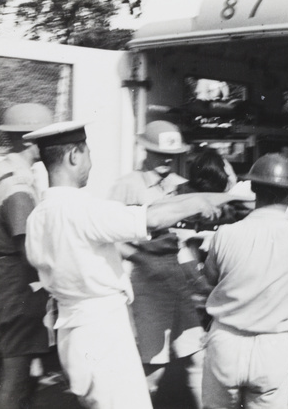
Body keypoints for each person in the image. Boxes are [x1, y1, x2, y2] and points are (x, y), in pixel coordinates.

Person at [22, 121, 228, 409]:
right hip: (102, 331)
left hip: (72, 329)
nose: (91, 163)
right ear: (74, 156)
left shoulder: (37, 217)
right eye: (88, 154)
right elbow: (152, 218)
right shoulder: (84, 210)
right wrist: (205, 202)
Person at [108, 121, 216, 408]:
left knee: (197, 354)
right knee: (152, 366)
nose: (166, 159)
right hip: (146, 284)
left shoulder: (177, 186)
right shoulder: (127, 186)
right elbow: (109, 238)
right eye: (159, 152)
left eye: (171, 154)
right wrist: (139, 257)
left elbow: (183, 234)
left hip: (177, 280)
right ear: (144, 149)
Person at [202, 153, 288, 409]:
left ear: (253, 189)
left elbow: (210, 277)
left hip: (226, 344)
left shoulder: (225, 234)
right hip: (272, 348)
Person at [0, 103, 53, 409]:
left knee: (23, 375)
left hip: (10, 278)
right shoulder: (17, 186)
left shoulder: (8, 172)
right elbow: (30, 247)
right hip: (19, 283)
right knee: (15, 379)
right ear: (29, 139)